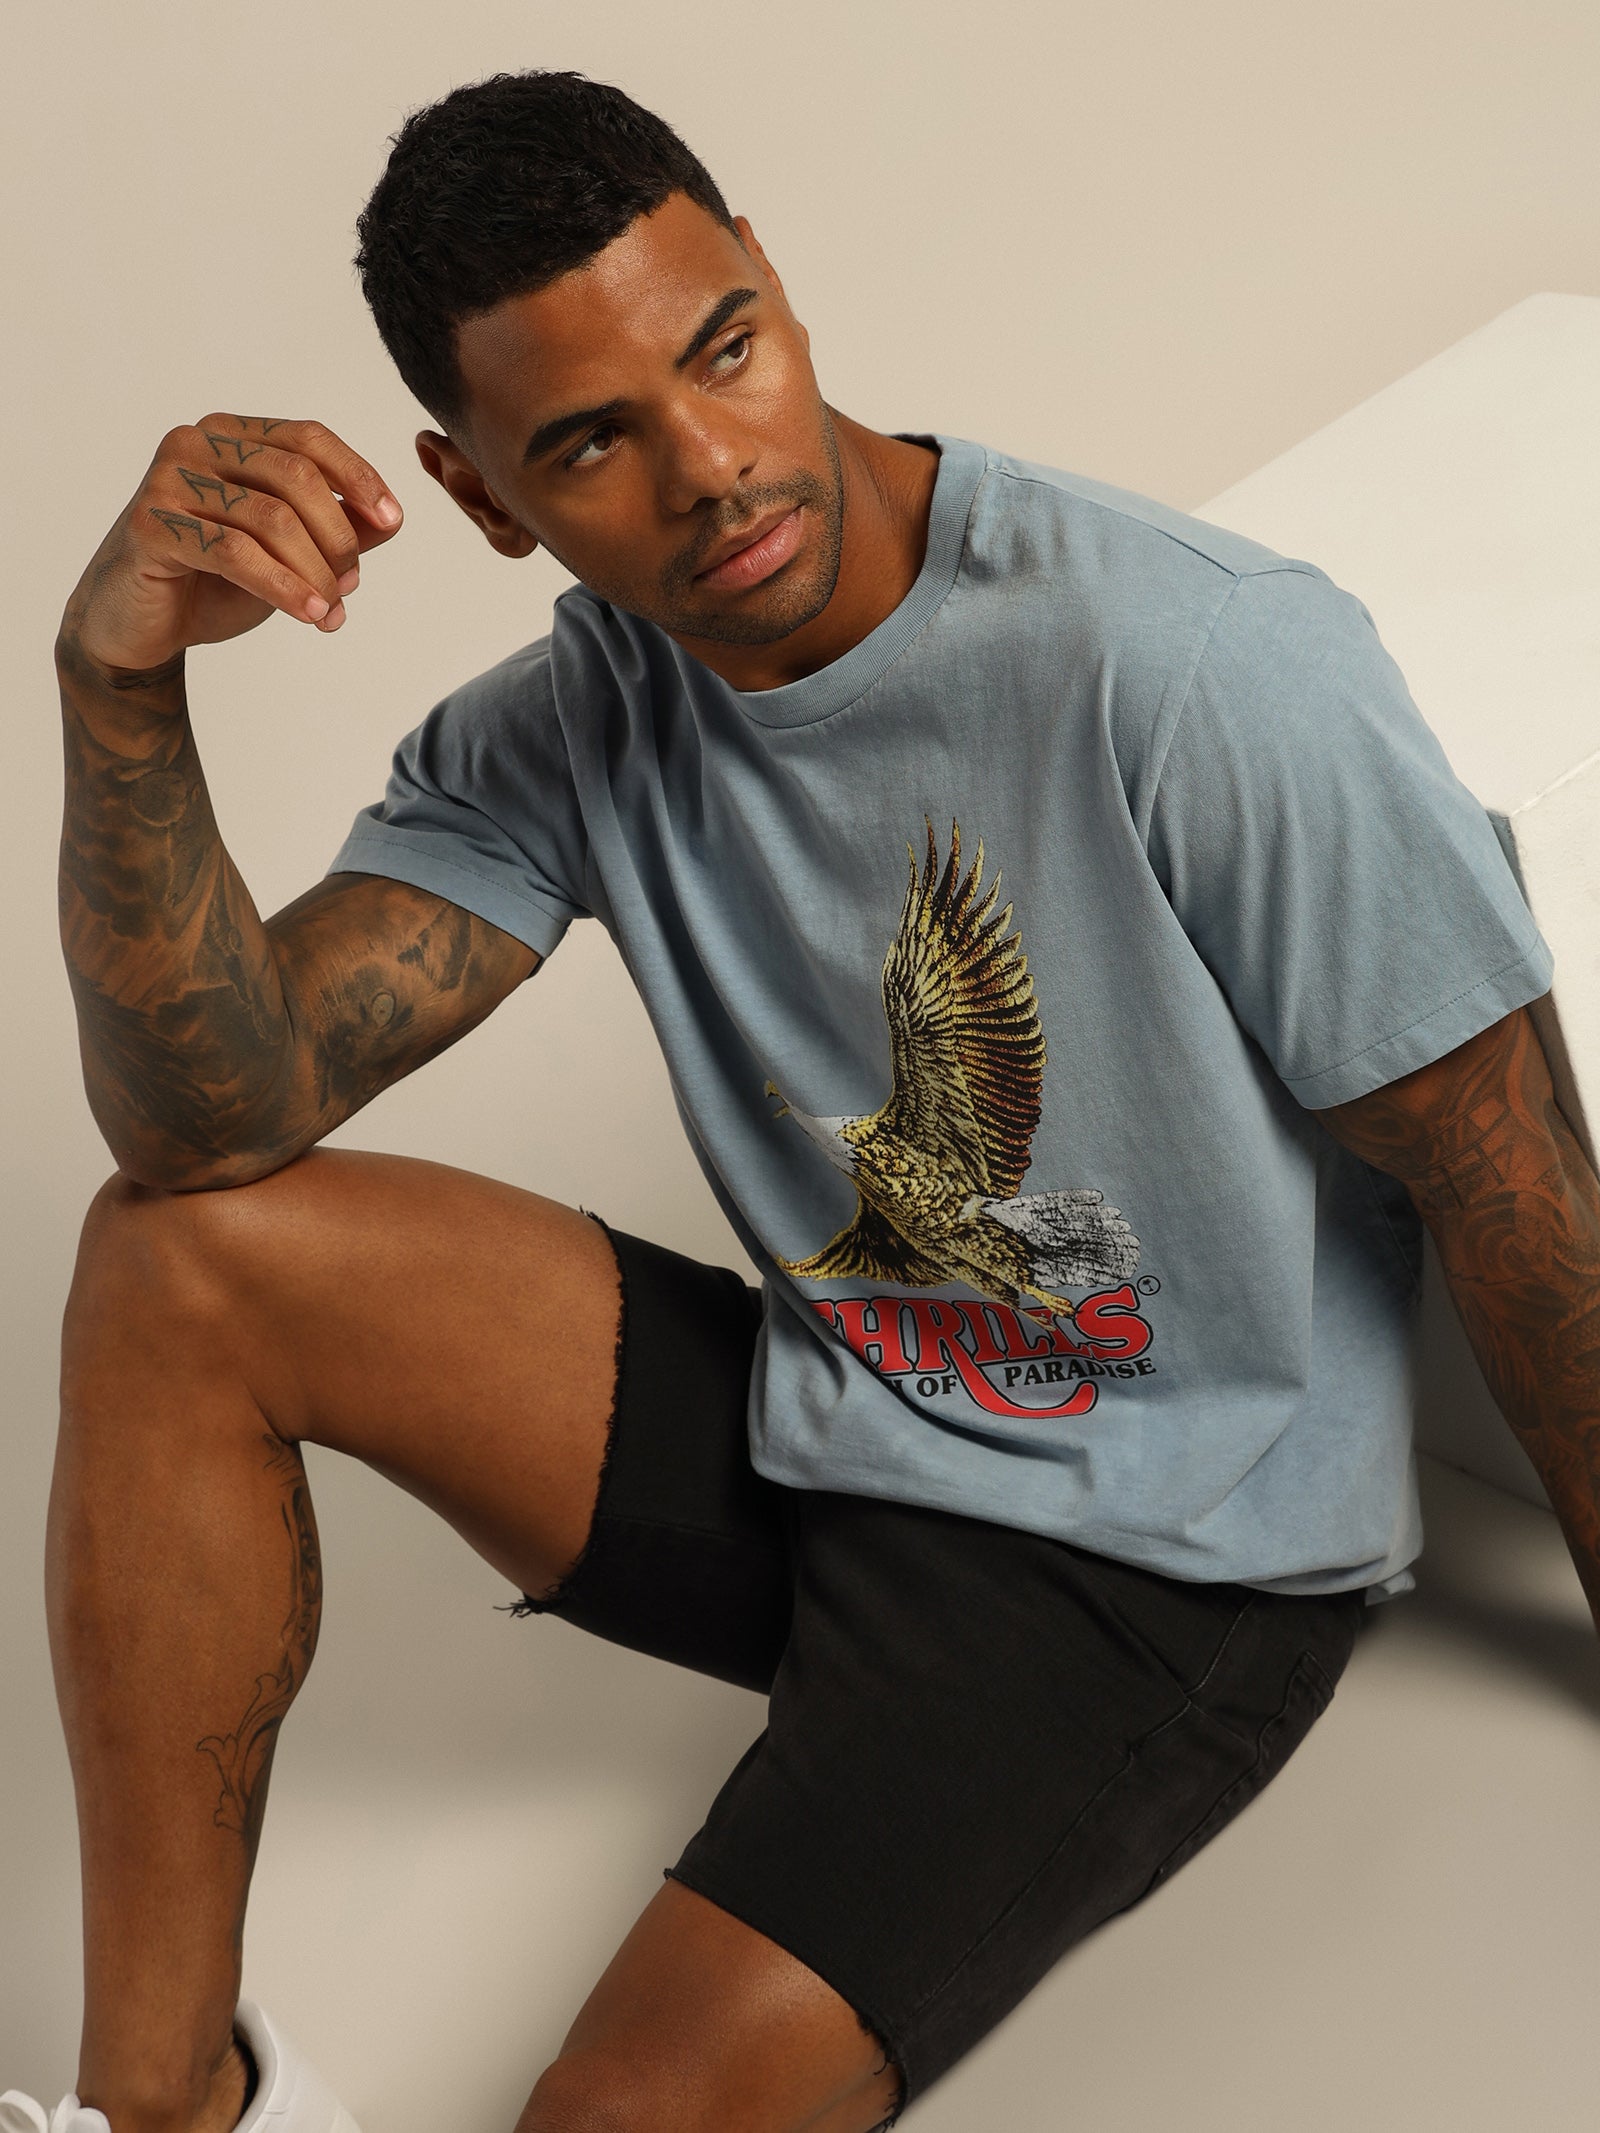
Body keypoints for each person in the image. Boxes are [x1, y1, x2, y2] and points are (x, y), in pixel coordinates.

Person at [9, 65, 1598, 2133]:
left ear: (769, 272)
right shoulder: (578, 719)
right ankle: (155, 2111)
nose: (711, 469)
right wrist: (119, 686)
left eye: (722, 348)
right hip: (828, 1409)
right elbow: (208, 1121)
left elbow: (1513, 1184)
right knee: (173, 1260)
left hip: (1143, 1556)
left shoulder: (1200, 666)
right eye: (590, 440)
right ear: (483, 496)